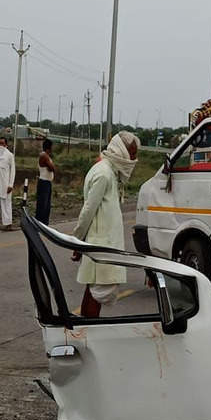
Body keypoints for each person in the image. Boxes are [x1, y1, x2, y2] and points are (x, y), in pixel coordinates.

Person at [72, 131, 140, 317]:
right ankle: (90, 334)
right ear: (122, 151)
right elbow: (88, 211)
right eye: (132, 154)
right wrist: (76, 241)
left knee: (93, 291)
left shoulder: (108, 172)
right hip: (101, 245)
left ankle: (85, 331)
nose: (134, 159)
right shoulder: (104, 174)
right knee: (98, 293)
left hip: (103, 243)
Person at [36, 138, 57, 223]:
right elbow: (52, 168)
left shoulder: (46, 156)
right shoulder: (44, 156)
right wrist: (52, 165)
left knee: (47, 205)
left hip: (47, 182)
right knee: (43, 204)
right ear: (49, 147)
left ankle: (44, 222)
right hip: (44, 183)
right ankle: (40, 222)